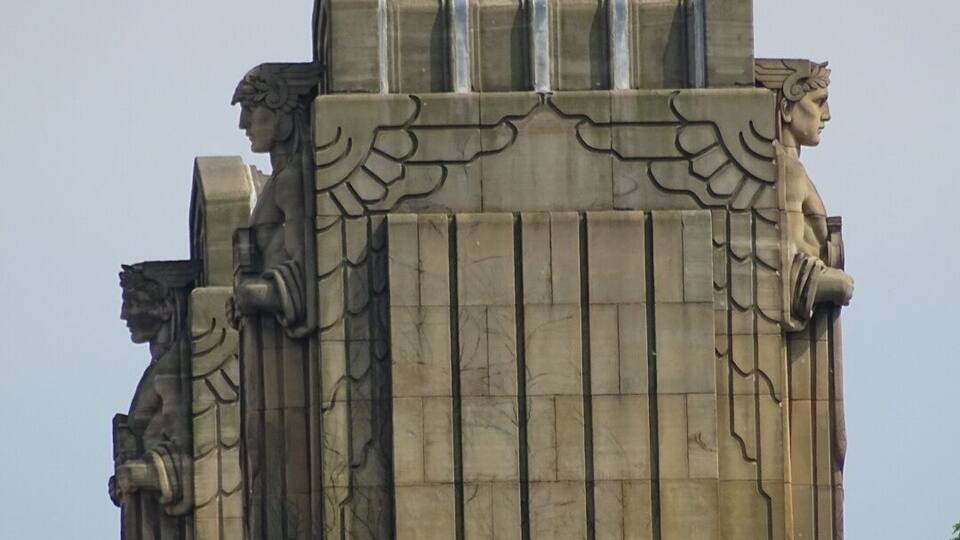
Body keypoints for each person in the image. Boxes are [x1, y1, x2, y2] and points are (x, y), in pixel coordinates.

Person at [757, 58, 855, 321]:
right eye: (818, 102)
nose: (827, 114)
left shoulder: (789, 168)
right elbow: (783, 262)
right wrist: (835, 284)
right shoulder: (786, 172)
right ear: (786, 108)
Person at [109, 261, 198, 539]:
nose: (125, 315)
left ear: (165, 307)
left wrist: (140, 474)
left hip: (167, 517)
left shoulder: (175, 370)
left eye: (135, 303)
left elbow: (188, 457)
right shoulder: (161, 368)